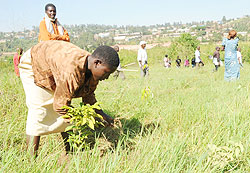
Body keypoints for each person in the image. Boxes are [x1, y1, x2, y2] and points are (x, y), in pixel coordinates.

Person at [19, 40, 119, 156]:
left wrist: (102, 115)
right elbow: (61, 105)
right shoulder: (70, 71)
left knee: (66, 111)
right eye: (106, 73)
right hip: (35, 63)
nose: (107, 77)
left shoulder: (91, 69)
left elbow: (88, 97)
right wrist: (81, 120)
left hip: (54, 64)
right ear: (97, 63)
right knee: (40, 110)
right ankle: (31, 160)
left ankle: (70, 152)